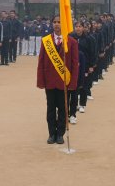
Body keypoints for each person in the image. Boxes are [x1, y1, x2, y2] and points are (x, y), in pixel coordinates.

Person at [36, 16, 79, 145]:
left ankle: (60, 134)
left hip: (63, 82)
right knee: (50, 108)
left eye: (59, 22)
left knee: (62, 108)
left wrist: (73, 83)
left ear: (63, 24)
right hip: (49, 81)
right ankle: (51, 134)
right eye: (54, 22)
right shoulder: (46, 41)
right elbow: (41, 61)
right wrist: (41, 81)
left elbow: (74, 63)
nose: (56, 24)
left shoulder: (71, 42)